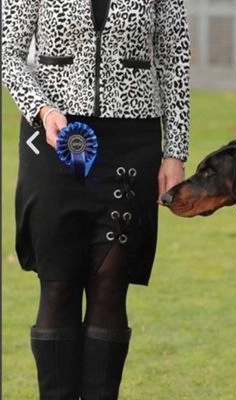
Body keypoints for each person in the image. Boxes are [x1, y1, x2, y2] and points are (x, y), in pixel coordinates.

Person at [2, 0, 190, 398]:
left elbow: (175, 61)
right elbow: (9, 51)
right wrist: (42, 109)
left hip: (132, 144)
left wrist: (176, 150)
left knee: (110, 283)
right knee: (58, 283)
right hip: (54, 137)